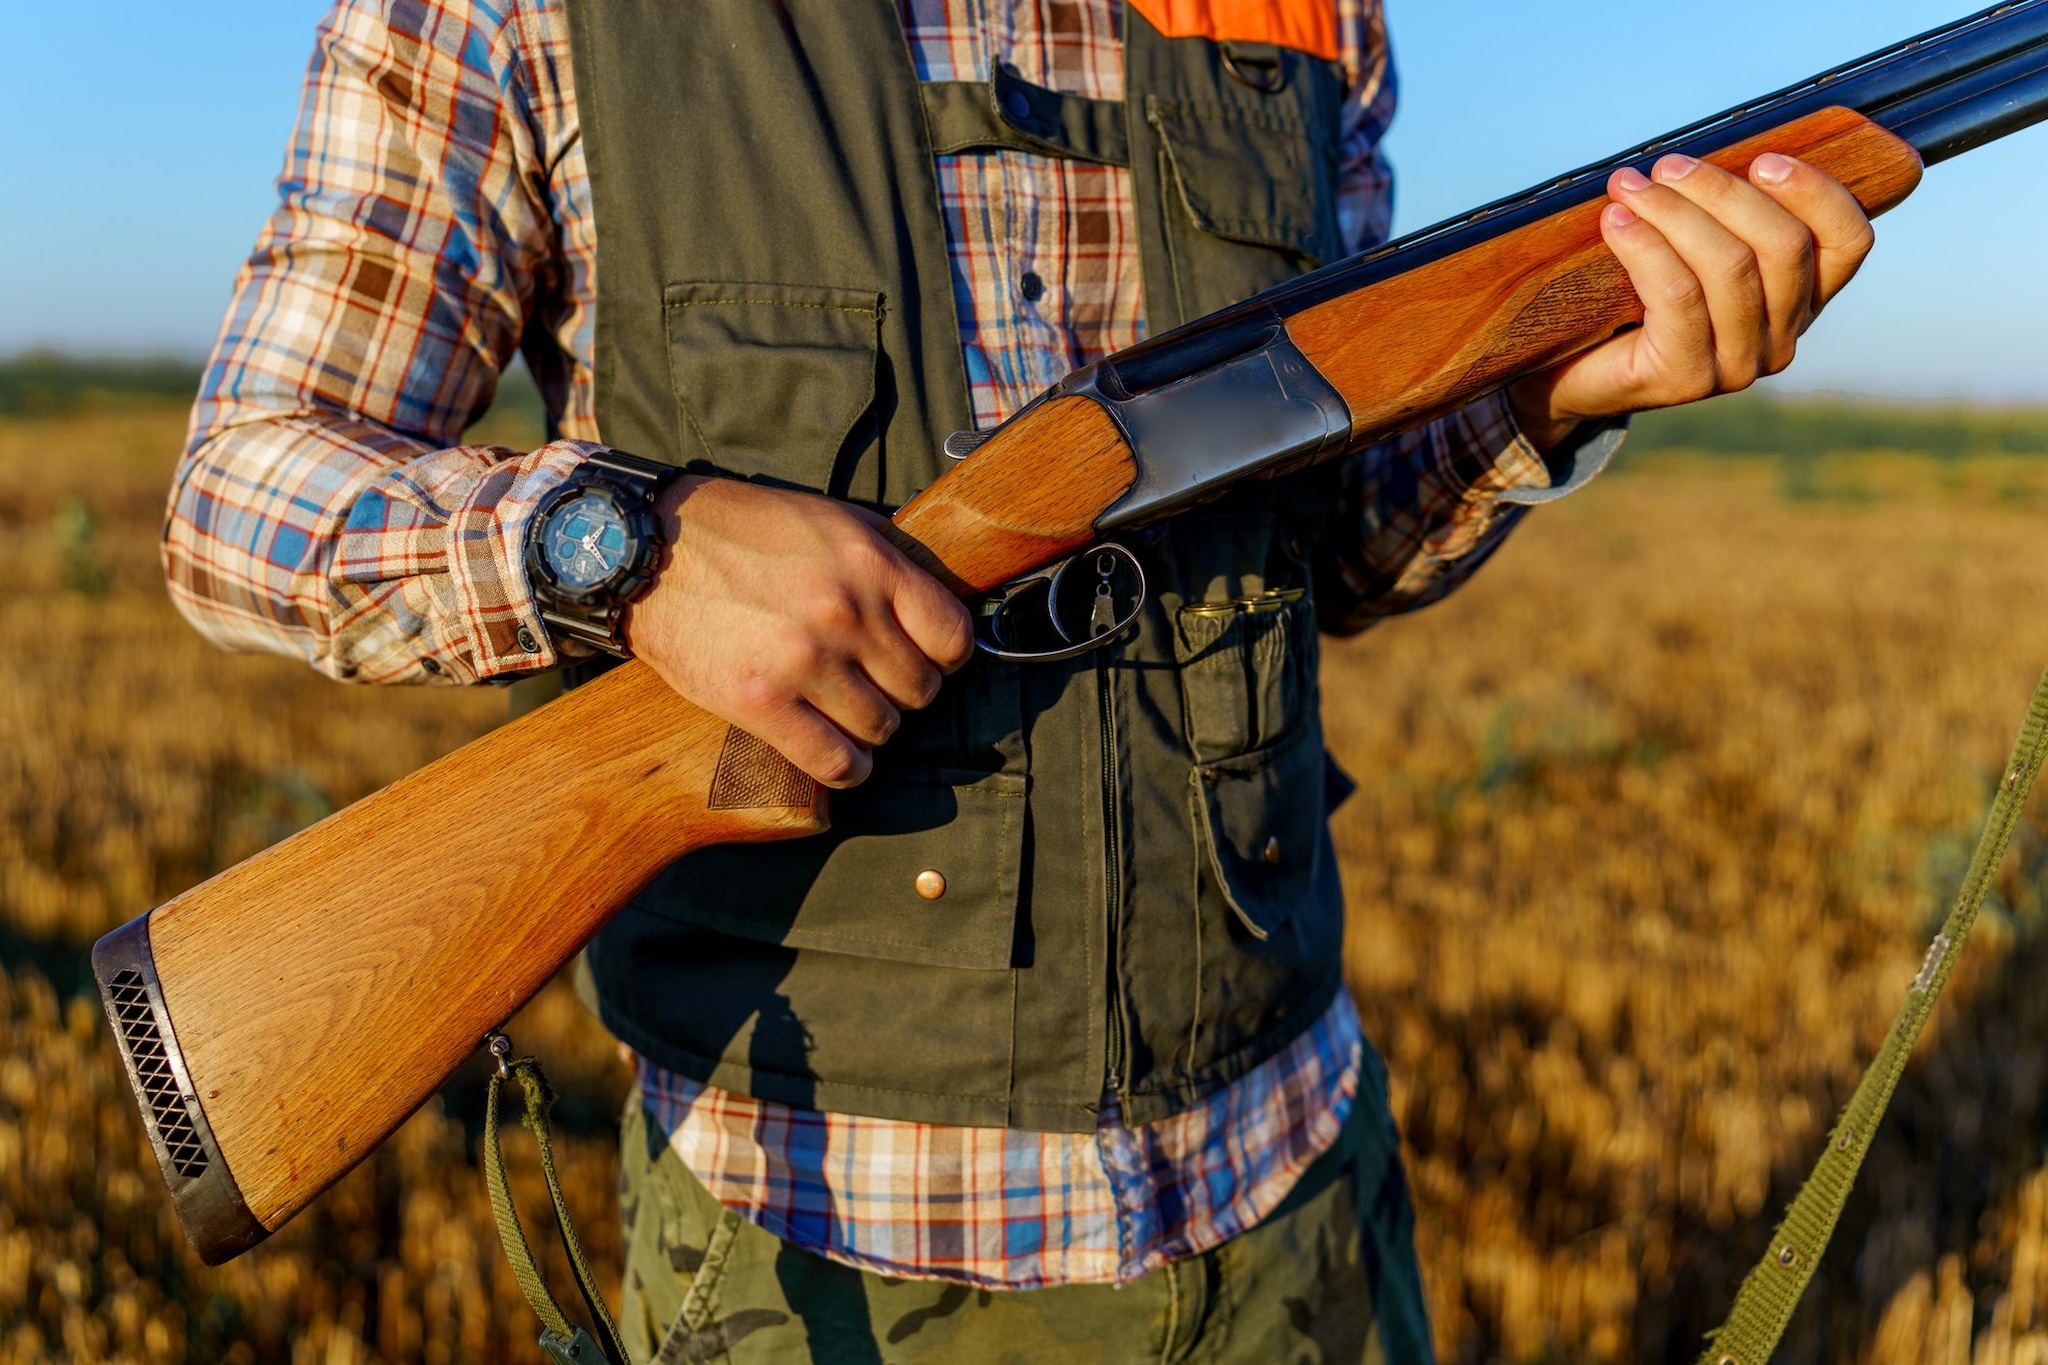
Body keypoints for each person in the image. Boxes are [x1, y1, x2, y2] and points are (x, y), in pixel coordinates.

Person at [164, 0, 1878, 1358]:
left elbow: (1335, 540)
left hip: (1297, 1213)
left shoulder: (1304, 13)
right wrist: (630, 543)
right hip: (825, 1264)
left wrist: (1563, 388)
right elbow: (240, 494)